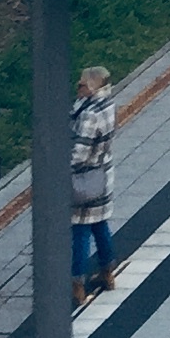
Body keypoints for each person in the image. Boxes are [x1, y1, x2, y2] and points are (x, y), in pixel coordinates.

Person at [70, 65, 116, 309]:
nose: (77, 86)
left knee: (80, 230)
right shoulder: (107, 104)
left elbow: (79, 153)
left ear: (92, 86)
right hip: (102, 175)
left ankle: (77, 283)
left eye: (81, 83)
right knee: (100, 224)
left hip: (84, 179)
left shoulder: (89, 114)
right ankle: (107, 272)